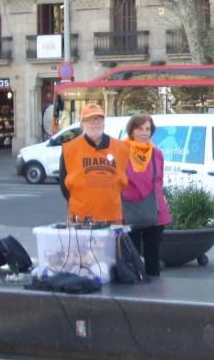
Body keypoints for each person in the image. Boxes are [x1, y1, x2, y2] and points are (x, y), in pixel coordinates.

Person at [59, 103, 129, 223]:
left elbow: (126, 182)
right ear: (82, 124)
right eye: (90, 120)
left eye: (98, 119)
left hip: (113, 218)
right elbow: (64, 186)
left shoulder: (121, 148)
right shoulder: (69, 149)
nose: (95, 123)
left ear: (104, 122)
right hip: (80, 219)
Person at [122, 113, 170, 280]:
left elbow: (159, 180)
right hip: (130, 209)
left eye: (148, 129)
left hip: (154, 210)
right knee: (132, 257)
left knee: (153, 258)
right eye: (140, 128)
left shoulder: (157, 153)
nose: (144, 132)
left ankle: (155, 296)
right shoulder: (121, 150)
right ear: (132, 130)